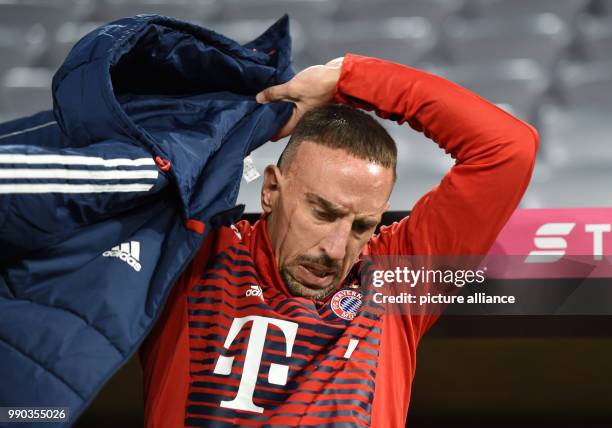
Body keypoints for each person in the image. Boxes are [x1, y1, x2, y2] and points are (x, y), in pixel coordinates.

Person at [140, 53, 538, 427]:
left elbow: (508, 148)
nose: (336, 249)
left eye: (362, 226)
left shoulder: (394, 280)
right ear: (271, 191)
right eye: (322, 213)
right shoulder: (196, 258)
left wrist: (347, 78)